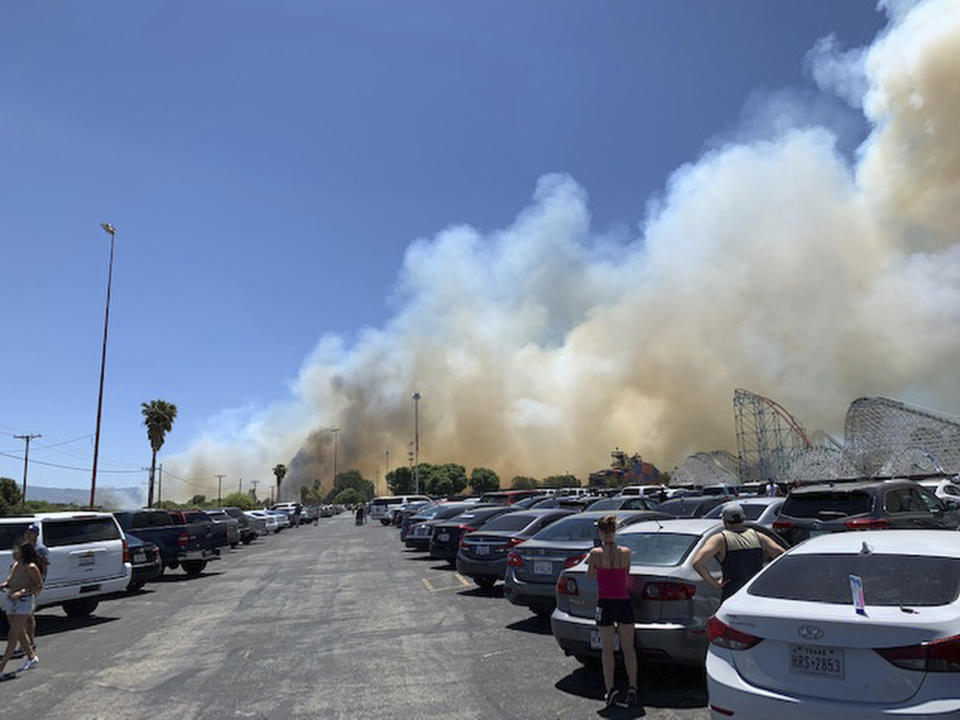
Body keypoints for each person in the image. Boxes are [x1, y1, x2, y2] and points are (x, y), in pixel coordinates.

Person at [586, 515, 639, 709]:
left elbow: (591, 575)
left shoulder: (595, 553)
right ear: (614, 531)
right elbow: (627, 572)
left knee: (607, 649)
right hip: (623, 602)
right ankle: (633, 687)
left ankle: (611, 690)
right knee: (628, 648)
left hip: (605, 603)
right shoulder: (625, 552)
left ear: (601, 532)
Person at [692, 503, 785, 602]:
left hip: (732, 593)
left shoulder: (720, 539)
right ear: (743, 518)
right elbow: (782, 555)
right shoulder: (759, 536)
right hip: (754, 592)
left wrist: (715, 584)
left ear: (724, 521)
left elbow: (697, 562)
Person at [0, 542, 43, 679]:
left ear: (23, 553)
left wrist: (22, 592)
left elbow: (38, 585)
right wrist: (4, 585)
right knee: (19, 633)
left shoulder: (30, 567)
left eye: (16, 551)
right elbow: (11, 582)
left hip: (24, 603)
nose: (13, 553)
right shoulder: (14, 566)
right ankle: (31, 657)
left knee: (13, 634)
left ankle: (1, 667)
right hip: (11, 601)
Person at [13, 524, 48, 660]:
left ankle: (27, 644)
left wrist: (41, 583)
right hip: (24, 582)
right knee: (28, 615)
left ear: (37, 534)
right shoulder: (25, 546)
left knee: (27, 615)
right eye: (27, 532)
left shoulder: (40, 549)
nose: (29, 534)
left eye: (32, 532)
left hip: (33, 583)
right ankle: (29, 643)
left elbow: (44, 566)